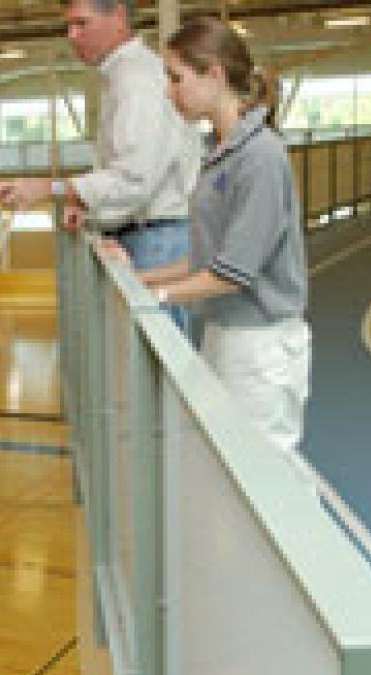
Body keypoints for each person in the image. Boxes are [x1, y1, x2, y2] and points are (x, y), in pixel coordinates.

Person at [111, 17, 310, 453]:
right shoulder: (219, 152)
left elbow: (231, 273)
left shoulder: (260, 157)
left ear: (215, 75)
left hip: (259, 346)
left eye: (176, 78)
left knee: (265, 469)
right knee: (227, 464)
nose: (169, 92)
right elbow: (208, 258)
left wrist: (156, 298)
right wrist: (140, 279)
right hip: (224, 332)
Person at [0, 0, 200, 334]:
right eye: (68, 26)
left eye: (82, 24)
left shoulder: (136, 80)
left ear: (118, 17)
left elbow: (133, 180)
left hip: (154, 242)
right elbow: (131, 172)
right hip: (147, 235)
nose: (72, 35)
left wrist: (47, 188)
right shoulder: (123, 75)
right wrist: (89, 205)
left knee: (156, 357)